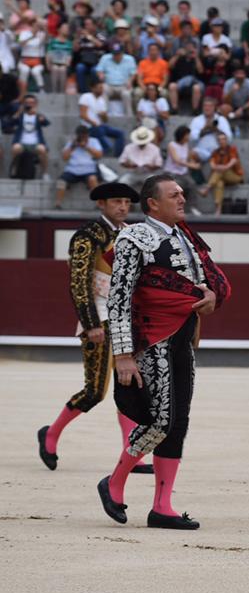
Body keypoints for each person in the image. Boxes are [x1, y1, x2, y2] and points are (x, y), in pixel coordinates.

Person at [97, 174, 231, 531]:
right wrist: (123, 355)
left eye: (183, 194)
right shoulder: (134, 237)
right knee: (160, 421)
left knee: (178, 422)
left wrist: (210, 296)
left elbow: (203, 283)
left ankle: (162, 506)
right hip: (151, 340)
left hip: (182, 339)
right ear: (152, 203)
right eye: (174, 195)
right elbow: (119, 299)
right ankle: (114, 481)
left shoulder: (185, 237)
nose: (182, 199)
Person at [36, 182, 146, 471]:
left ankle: (130, 454)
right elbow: (79, 282)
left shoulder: (130, 233)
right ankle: (51, 433)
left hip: (126, 320)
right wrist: (90, 323)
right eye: (117, 201)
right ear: (102, 204)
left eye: (127, 202)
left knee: (129, 387)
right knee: (95, 391)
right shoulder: (88, 235)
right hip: (99, 317)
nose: (123, 207)